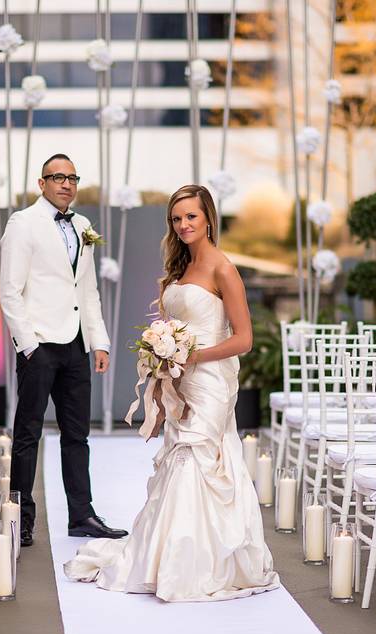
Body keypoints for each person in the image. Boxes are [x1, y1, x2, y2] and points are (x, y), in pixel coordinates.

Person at [63, 184, 280, 601]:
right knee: (178, 458)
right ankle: (169, 559)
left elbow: (245, 339)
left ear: (208, 218)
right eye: (177, 219)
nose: (183, 225)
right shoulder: (178, 270)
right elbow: (171, 328)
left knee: (199, 457)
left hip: (212, 380)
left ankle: (197, 566)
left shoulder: (223, 268)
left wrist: (192, 356)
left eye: (191, 217)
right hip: (180, 379)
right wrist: (163, 370)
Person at [0, 153, 128, 547]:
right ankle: (19, 518)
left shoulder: (84, 226)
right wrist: (29, 346)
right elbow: (10, 291)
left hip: (75, 345)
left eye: (72, 177)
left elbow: (86, 291)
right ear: (42, 183)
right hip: (40, 347)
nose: (66, 184)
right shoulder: (23, 224)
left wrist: (99, 341)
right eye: (58, 177)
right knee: (28, 435)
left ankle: (82, 515)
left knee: (78, 435)